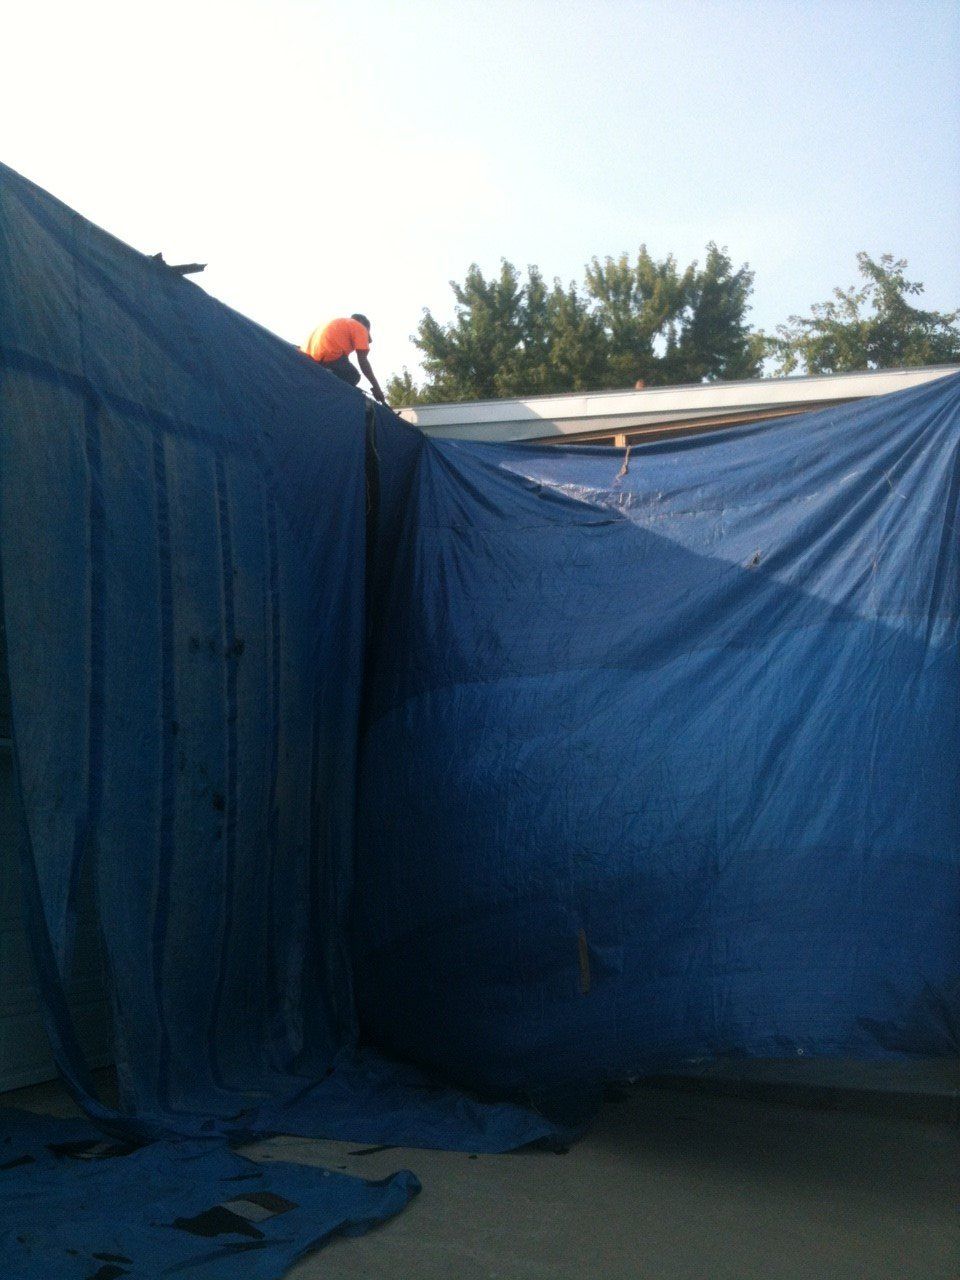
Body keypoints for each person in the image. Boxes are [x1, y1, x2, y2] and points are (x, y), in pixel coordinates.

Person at [301, 313, 386, 403]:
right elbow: (363, 361)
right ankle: (334, 399)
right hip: (329, 357)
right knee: (353, 375)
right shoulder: (360, 327)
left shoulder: (339, 324)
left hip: (309, 358)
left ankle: (328, 378)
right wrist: (377, 388)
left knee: (344, 371)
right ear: (364, 325)